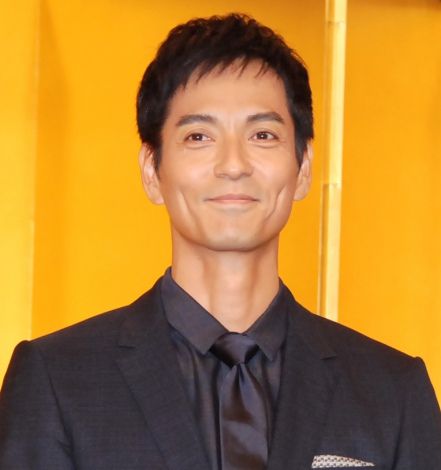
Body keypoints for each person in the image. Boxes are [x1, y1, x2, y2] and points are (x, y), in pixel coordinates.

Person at [0, 13, 440, 470]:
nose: (233, 164)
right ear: (152, 171)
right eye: (199, 136)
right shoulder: (58, 380)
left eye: (262, 135)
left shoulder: (393, 391)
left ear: (304, 168)